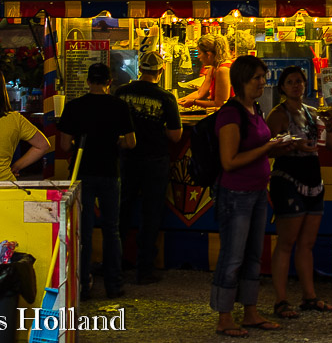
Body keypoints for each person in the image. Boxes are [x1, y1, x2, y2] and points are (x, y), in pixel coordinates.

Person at [211, 55, 296, 337]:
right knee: (233, 255)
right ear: (242, 80)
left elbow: (260, 146)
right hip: (235, 194)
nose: (263, 82)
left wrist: (277, 147)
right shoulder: (231, 114)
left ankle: (250, 310)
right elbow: (229, 161)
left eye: (263, 76)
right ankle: (224, 317)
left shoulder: (255, 109)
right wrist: (267, 147)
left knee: (253, 256)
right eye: (257, 77)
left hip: (258, 191)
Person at [266, 66, 332, 319]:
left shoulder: (313, 113)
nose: (296, 85)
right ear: (282, 87)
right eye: (290, 82)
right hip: (288, 178)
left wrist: (330, 126)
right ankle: (281, 300)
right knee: (286, 243)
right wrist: (291, 144)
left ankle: (309, 296)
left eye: (300, 81)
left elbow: (330, 146)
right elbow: (268, 149)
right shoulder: (278, 114)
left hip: (313, 178)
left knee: (307, 244)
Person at [59, 62, 135, 300]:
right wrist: (116, 143)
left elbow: (63, 144)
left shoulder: (74, 107)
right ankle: (114, 284)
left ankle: (82, 285)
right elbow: (131, 142)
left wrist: (78, 145)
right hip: (110, 171)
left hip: (82, 172)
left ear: (88, 81)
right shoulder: (119, 106)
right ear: (109, 82)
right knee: (112, 229)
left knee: (85, 230)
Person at [116, 51, 182, 285]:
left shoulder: (122, 92)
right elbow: (175, 136)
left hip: (127, 158)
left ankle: (115, 264)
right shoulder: (166, 98)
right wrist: (156, 129)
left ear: (140, 69)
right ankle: (144, 270)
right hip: (155, 160)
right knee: (151, 214)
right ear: (161, 71)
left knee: (122, 211)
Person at [180, 34, 232, 110]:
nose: (198, 57)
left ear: (209, 54)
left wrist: (194, 102)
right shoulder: (213, 68)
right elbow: (200, 93)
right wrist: (178, 101)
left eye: (200, 53)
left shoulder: (223, 70)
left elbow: (220, 103)